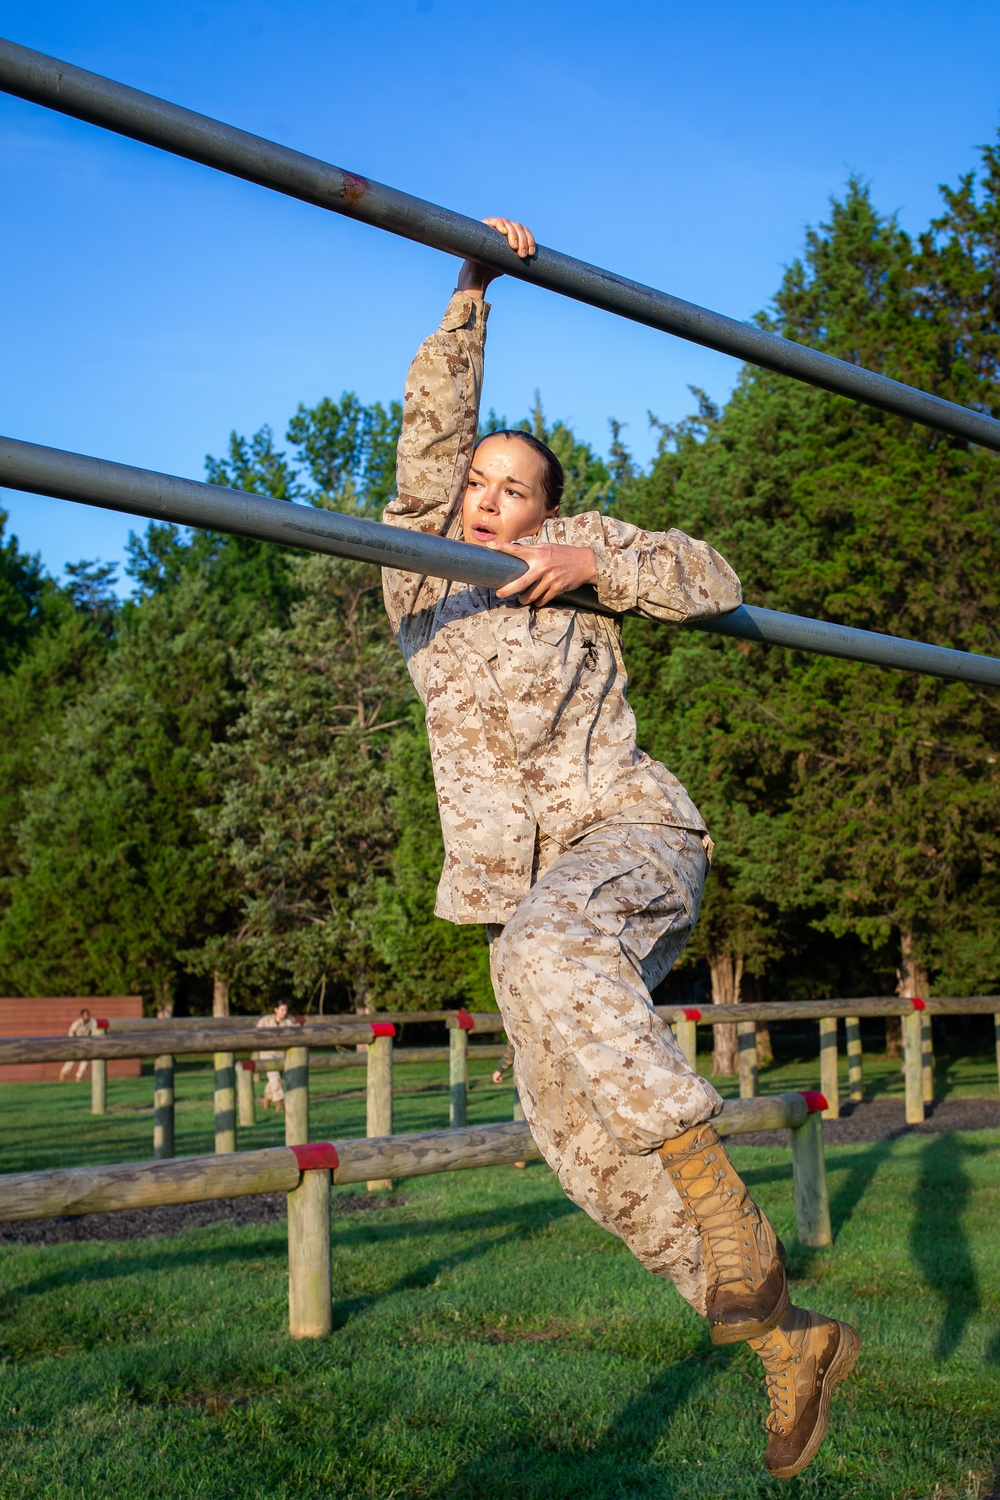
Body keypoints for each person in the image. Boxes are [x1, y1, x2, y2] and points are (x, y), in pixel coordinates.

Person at [380, 218, 860, 1480]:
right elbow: (428, 441)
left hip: (630, 840)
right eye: (477, 486)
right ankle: (787, 1340)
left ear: (545, 508)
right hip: (529, 906)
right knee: (578, 1146)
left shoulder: (579, 565)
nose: (487, 501)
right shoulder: (416, 578)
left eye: (514, 491)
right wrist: (470, 283)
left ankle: (726, 1205)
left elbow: (712, 575)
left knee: (542, 956)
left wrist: (592, 559)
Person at [254, 1001, 289, 1112]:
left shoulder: (288, 1022)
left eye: (285, 1010)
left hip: (280, 1053)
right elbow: (257, 1034)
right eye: (282, 1010)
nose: (284, 1012)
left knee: (274, 1078)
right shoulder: (265, 1021)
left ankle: (267, 1097)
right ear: (276, 1010)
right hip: (267, 1052)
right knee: (274, 1076)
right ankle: (279, 1102)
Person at [59, 1006, 95, 1080]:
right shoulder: (77, 1023)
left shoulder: (92, 1022)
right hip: (76, 1043)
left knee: (84, 1061)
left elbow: (94, 1031)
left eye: (88, 1015)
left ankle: (79, 1077)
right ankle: (63, 1073)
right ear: (81, 1016)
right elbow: (71, 1032)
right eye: (85, 1015)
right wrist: (73, 1042)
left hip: (85, 1044)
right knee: (71, 1061)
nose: (87, 1017)